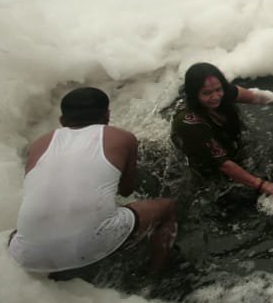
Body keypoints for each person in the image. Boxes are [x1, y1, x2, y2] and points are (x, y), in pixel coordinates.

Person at [9, 87, 177, 274]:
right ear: (107, 116)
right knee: (167, 207)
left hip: (27, 255)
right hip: (94, 243)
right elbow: (126, 190)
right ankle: (156, 272)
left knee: (20, 232)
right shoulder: (123, 137)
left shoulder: (39, 144)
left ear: (62, 120)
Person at [170, 62, 273, 196]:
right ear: (193, 95)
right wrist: (263, 185)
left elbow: (256, 96)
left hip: (229, 150)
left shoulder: (223, 93)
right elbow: (223, 164)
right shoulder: (188, 122)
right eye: (206, 93)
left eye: (218, 90)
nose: (215, 96)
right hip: (209, 168)